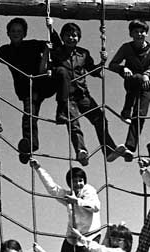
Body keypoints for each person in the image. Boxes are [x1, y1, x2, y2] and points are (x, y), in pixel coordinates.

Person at [0, 17, 60, 160]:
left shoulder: (32, 45)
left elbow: (56, 45)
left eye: (19, 31)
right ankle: (28, 146)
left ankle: (31, 144)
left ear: (24, 34)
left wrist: (51, 29)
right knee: (29, 115)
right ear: (8, 33)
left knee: (30, 113)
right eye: (13, 31)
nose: (16, 34)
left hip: (43, 83)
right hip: (26, 90)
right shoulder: (6, 51)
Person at [51, 22, 117, 166]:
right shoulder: (56, 52)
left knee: (100, 118)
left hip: (83, 94)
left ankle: (109, 150)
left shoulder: (83, 53)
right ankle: (81, 151)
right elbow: (52, 36)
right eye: (67, 35)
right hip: (67, 96)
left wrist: (102, 63)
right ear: (62, 37)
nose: (71, 38)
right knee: (73, 123)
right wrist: (50, 26)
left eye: (74, 35)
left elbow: (93, 70)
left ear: (79, 38)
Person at [105, 19, 150, 163]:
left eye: (142, 31)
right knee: (137, 78)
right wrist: (124, 68)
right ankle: (126, 110)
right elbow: (112, 64)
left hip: (146, 84)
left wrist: (147, 74)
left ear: (146, 33)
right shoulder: (126, 48)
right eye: (136, 32)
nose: (139, 34)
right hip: (131, 81)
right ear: (131, 34)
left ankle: (129, 147)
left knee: (140, 114)